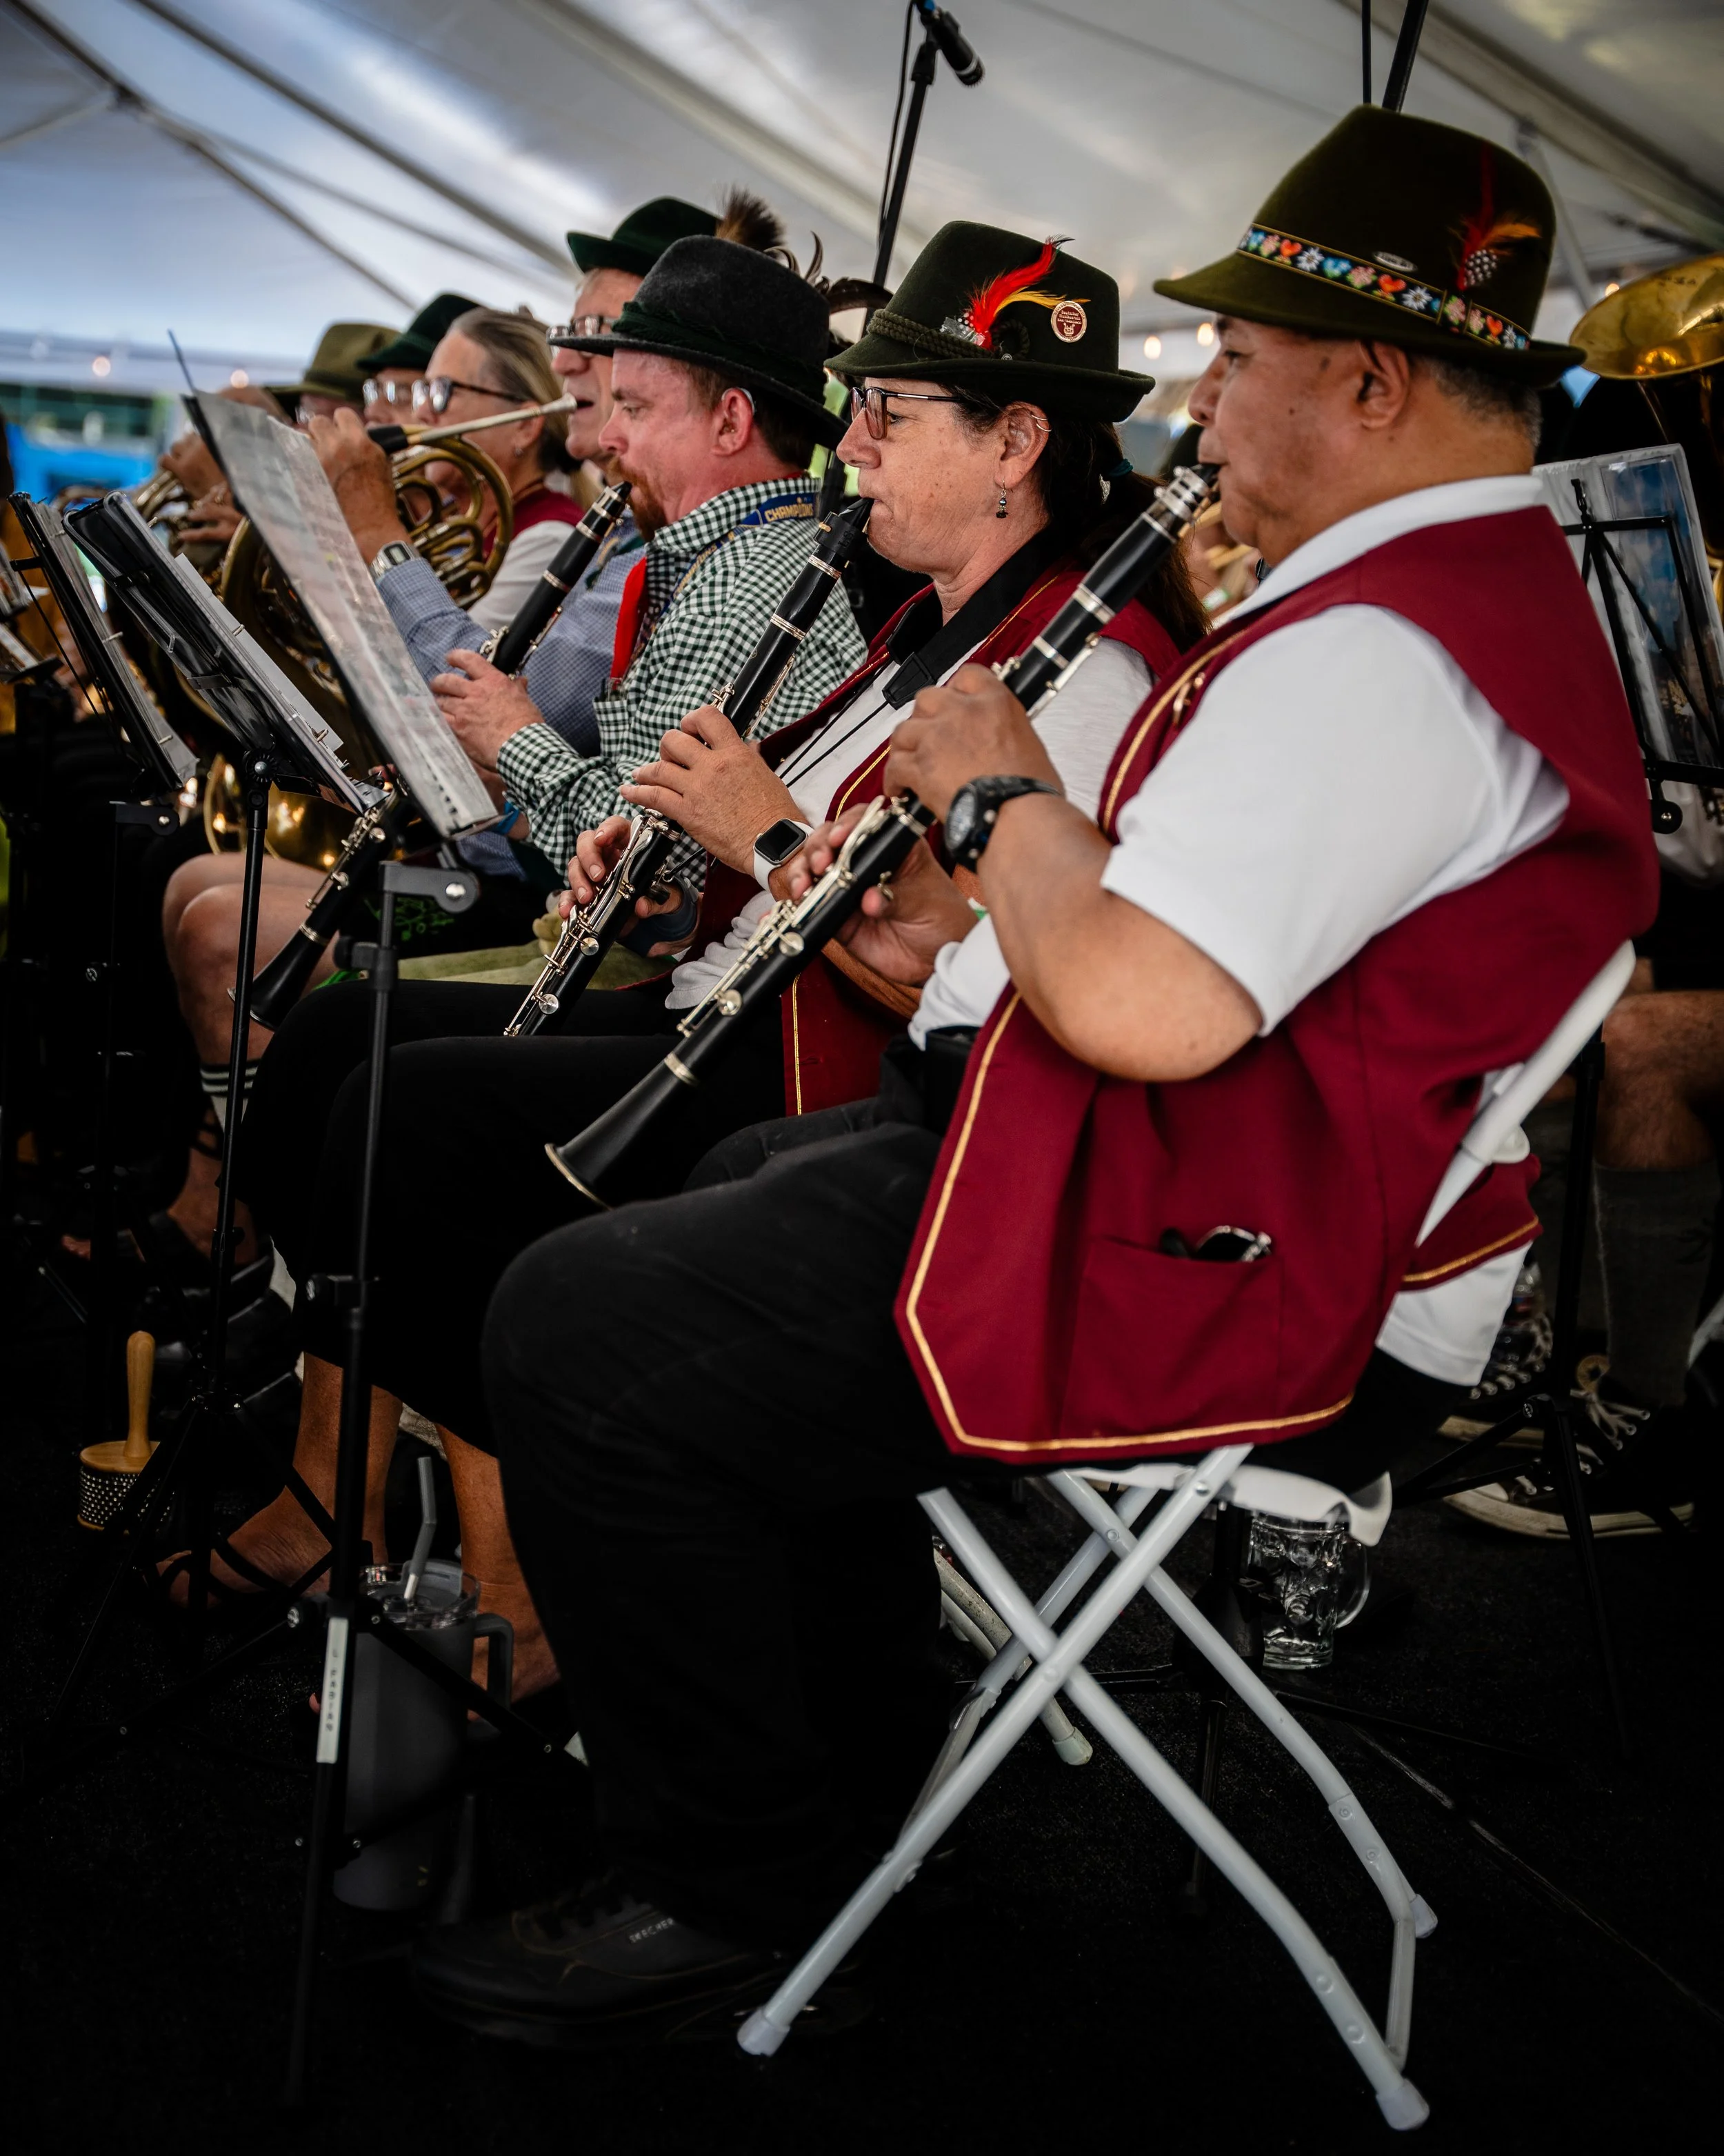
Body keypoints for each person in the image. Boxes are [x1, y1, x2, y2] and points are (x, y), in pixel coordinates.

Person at [410, 106, 1660, 2043]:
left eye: (1232, 363)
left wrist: (993, 780)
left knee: (585, 1317)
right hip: (1208, 1182)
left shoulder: (1387, 651)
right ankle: (840, 1746)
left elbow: (1146, 1007)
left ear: (1371, 377)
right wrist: (949, 923)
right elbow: (1179, 965)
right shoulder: (1447, 609)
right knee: (699, 1233)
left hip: (1234, 1256)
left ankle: (731, 1866)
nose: (1201, 410)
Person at [183, 227, 1202, 1707]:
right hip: (738, 1017)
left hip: (827, 1093)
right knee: (349, 1089)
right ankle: (576, 1543)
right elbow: (809, 851)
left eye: (885, 418)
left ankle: (590, 1565)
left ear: (1015, 444)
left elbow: (971, 977)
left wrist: (753, 829)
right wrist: (685, 868)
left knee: (399, 1143)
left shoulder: (1081, 670)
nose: (844, 450)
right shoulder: (925, 622)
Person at [159, 228, 872, 1645]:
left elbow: (633, 862)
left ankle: (478, 1550)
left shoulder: (751, 578)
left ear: (733, 420)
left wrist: (508, 746)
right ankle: (367, 1465)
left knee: (380, 1105)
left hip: (694, 995)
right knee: (326, 1068)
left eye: (636, 408)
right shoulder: (705, 560)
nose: (605, 440)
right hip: (640, 954)